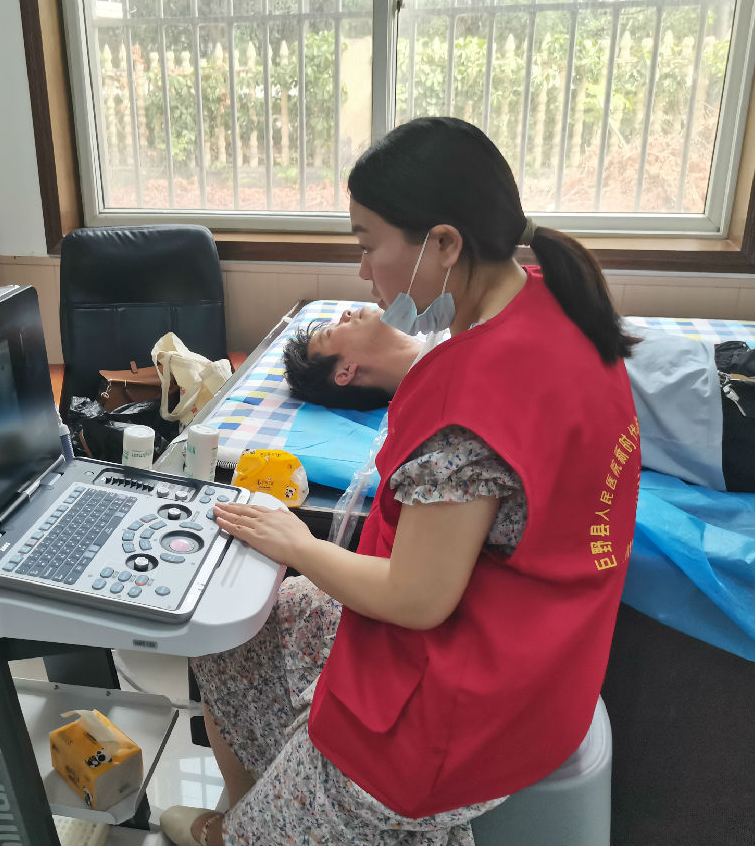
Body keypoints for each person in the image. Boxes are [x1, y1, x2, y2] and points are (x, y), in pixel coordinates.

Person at [161, 117, 642, 846]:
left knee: (282, 592)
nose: (363, 274)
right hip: (544, 658)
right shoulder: (556, 303)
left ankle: (249, 832)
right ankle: (267, 803)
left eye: (366, 245)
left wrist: (298, 541)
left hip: (470, 708)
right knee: (246, 626)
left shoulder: (470, 406)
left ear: (444, 243)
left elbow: (417, 600)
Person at [283, 307, 755, 502]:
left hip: (733, 364)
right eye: (332, 331)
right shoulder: (445, 391)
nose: (347, 312)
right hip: (740, 418)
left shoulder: (452, 322)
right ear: (345, 373)